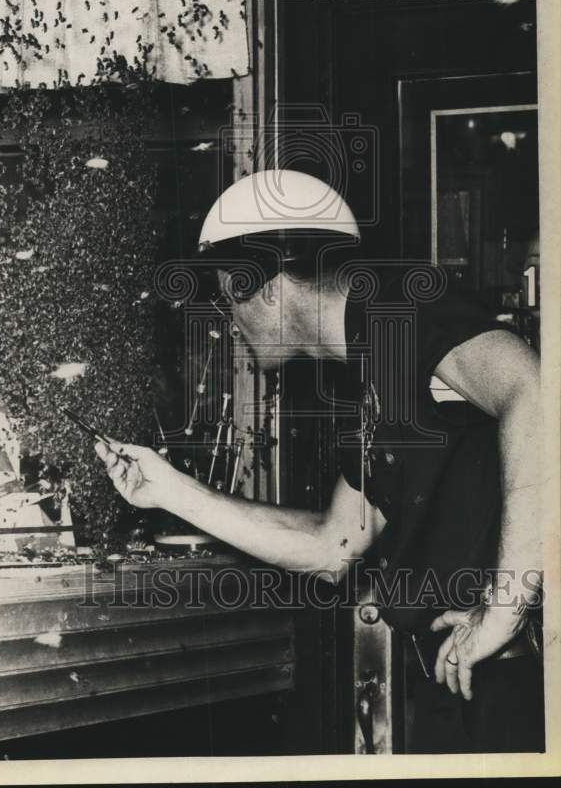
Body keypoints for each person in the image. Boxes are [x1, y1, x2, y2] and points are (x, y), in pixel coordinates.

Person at [95, 169, 544, 753]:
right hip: (458, 671)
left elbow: (535, 391)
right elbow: (331, 548)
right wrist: (170, 491)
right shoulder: (369, 372)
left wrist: (505, 610)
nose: (230, 320)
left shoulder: (399, 309)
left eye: (231, 294)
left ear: (274, 288)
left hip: (510, 674)